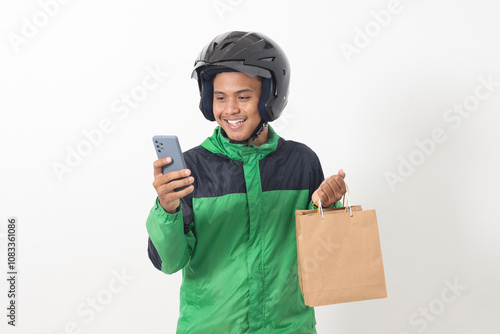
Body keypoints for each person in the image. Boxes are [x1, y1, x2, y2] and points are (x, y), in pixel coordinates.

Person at [146, 31, 347, 333]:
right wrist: (167, 209)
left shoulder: (301, 162)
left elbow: (324, 260)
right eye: (220, 97)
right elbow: (168, 262)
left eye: (243, 97)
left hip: (287, 327)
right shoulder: (191, 169)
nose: (230, 109)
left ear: (269, 100)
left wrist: (329, 207)